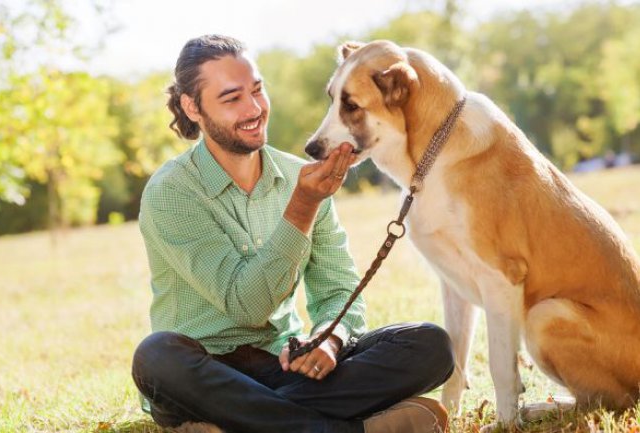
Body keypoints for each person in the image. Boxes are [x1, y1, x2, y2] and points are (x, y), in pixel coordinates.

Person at [131, 34, 455, 433]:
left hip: (285, 368)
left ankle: (239, 424)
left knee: (429, 346)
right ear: (191, 107)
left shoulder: (298, 176)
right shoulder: (173, 192)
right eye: (232, 99)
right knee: (156, 356)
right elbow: (245, 307)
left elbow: (337, 289)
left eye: (257, 90)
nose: (254, 109)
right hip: (205, 374)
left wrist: (328, 339)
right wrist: (301, 206)